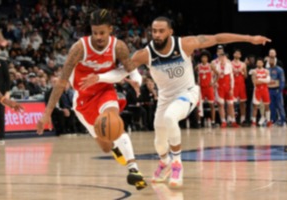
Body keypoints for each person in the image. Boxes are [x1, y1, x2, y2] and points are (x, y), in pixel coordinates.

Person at [80, 16, 271, 187]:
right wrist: (100, 78)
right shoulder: (144, 54)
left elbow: (217, 38)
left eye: (161, 31)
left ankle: (177, 164)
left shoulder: (185, 44)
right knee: (159, 141)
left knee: (171, 117)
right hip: (165, 97)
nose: (157, 34)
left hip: (187, 92)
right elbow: (122, 71)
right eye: (154, 31)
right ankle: (165, 163)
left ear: (170, 32)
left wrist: (250, 38)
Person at [36, 9, 147, 190]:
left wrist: (136, 81)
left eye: (102, 32)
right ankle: (114, 149)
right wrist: (47, 113)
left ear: (110, 29)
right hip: (83, 100)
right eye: (95, 32)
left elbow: (131, 68)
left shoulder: (118, 46)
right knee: (105, 146)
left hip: (105, 91)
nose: (98, 37)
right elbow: (62, 81)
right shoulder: (79, 48)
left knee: (113, 121)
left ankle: (133, 169)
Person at [0, 28, 24, 145]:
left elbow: (6, 80)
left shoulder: (2, 62)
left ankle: (2, 136)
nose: (1, 42)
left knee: (1, 115)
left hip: (2, 94)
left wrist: (5, 99)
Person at [195, 49, 217, 127]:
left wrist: (213, 82)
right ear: (201, 58)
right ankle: (198, 122)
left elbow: (218, 74)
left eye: (205, 57)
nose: (204, 59)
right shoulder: (198, 66)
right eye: (202, 57)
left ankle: (213, 122)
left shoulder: (210, 65)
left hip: (209, 87)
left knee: (212, 105)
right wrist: (196, 83)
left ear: (207, 58)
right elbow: (193, 75)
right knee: (199, 106)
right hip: (201, 88)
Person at [250, 57, 272, 127]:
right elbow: (254, 82)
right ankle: (253, 121)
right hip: (257, 90)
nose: (259, 63)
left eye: (260, 62)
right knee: (255, 107)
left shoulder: (266, 71)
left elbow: (269, 81)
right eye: (258, 62)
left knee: (267, 106)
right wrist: (264, 80)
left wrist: (259, 79)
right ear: (256, 63)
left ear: (263, 63)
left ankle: (268, 121)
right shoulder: (254, 71)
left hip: (265, 90)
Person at [267, 57, 286, 126]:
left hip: (277, 90)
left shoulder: (279, 70)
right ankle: (273, 120)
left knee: (280, 105)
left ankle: (282, 120)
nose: (271, 61)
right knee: (271, 106)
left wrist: (280, 89)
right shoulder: (267, 70)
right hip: (269, 90)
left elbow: (282, 80)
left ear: (275, 61)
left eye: (272, 60)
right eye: (270, 60)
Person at [231, 49, 247, 124]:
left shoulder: (243, 64)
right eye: (236, 53)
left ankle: (242, 119)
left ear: (240, 55)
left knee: (242, 103)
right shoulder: (230, 63)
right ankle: (232, 119)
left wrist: (243, 72)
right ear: (233, 54)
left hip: (241, 84)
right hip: (233, 84)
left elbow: (246, 76)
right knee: (232, 103)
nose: (237, 54)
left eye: (239, 53)